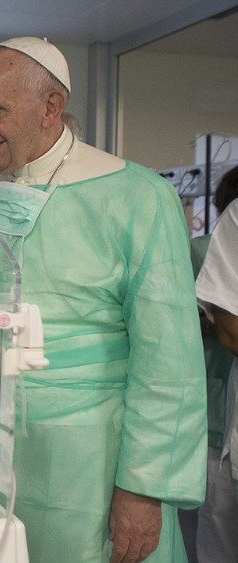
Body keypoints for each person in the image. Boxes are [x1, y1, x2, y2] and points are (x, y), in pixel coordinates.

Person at [0, 37, 206, 562]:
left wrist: (144, 488)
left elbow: (170, 362)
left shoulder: (136, 197)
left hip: (86, 468)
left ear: (51, 107)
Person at [187, 168, 238, 562]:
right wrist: (211, 320)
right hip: (212, 388)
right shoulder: (202, 249)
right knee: (218, 515)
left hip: (215, 390)